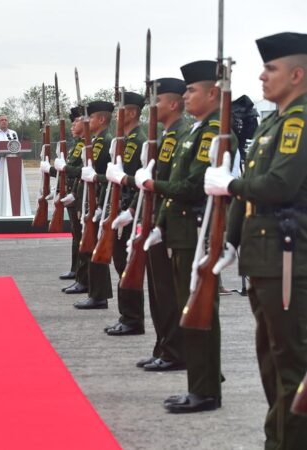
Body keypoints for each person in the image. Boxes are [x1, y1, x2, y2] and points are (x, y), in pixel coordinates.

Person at [205, 32, 307, 446]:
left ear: (297, 74)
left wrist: (231, 185)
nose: (262, 76)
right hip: (264, 260)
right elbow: (253, 191)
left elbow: (279, 185)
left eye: (271, 68)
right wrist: (231, 239)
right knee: (271, 361)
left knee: (291, 366)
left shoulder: (299, 122)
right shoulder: (275, 122)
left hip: (289, 260)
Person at [136, 60, 234, 413]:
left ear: (212, 93)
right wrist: (160, 223)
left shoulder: (213, 133)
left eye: (192, 90)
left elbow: (191, 185)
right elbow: (174, 187)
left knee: (201, 309)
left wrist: (150, 184)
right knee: (188, 309)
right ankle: (201, 381)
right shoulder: (194, 132)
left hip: (195, 231)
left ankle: (206, 388)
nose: (186, 94)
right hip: (178, 230)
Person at [114, 78, 187, 370]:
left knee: (168, 294)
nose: (152, 108)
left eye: (157, 101)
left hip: (170, 224)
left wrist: (132, 183)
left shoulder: (180, 135)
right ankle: (164, 347)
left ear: (172, 104)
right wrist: (133, 210)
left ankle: (172, 351)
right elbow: (150, 184)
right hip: (154, 219)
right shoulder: (165, 136)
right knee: (159, 294)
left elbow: (171, 184)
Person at [57, 100, 114, 309]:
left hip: (97, 200)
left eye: (89, 118)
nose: (85, 121)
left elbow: (96, 172)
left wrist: (99, 203)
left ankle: (98, 294)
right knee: (88, 245)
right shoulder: (95, 140)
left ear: (100, 119)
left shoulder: (104, 141)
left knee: (94, 247)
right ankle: (93, 290)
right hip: (87, 198)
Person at [99, 91, 146, 335]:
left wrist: (130, 209)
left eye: (120, 109)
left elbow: (143, 179)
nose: (116, 114)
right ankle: (126, 315)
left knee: (128, 266)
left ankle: (133, 318)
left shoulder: (140, 139)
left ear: (131, 113)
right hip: (121, 208)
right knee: (120, 264)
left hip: (132, 211)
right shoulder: (125, 140)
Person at [40, 107, 86, 292]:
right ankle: (76, 270)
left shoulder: (84, 145)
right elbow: (67, 170)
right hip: (72, 193)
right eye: (73, 122)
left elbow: (72, 170)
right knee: (76, 235)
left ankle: (81, 275)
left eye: (77, 121)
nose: (73, 125)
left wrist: (51, 170)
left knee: (81, 237)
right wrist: (57, 187)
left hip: (78, 195)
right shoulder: (77, 145)